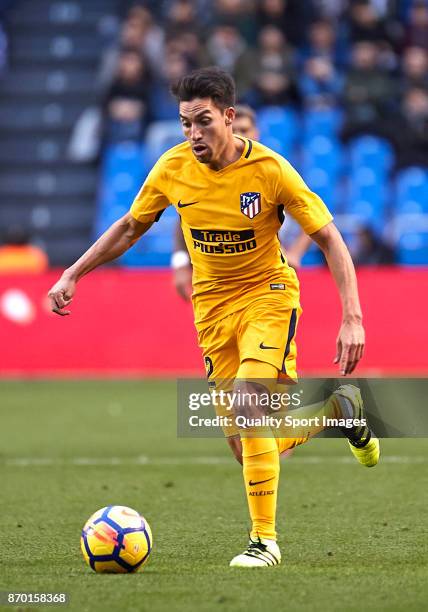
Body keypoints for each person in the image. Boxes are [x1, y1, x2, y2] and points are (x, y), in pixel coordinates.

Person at [48, 67, 379, 568]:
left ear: (229, 117)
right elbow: (130, 226)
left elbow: (330, 237)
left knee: (249, 407)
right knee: (247, 447)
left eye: (203, 122)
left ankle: (264, 541)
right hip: (212, 308)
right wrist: (73, 273)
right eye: (185, 124)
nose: (193, 135)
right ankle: (339, 413)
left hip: (268, 295)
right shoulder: (173, 167)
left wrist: (351, 317)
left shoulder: (270, 170)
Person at [171, 103, 312, 301]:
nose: (238, 135)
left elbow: (313, 220)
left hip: (267, 279)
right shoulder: (209, 171)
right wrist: (180, 262)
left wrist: (295, 254)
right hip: (219, 282)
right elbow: (183, 217)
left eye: (244, 130)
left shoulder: (272, 172)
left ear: (257, 132)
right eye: (233, 130)